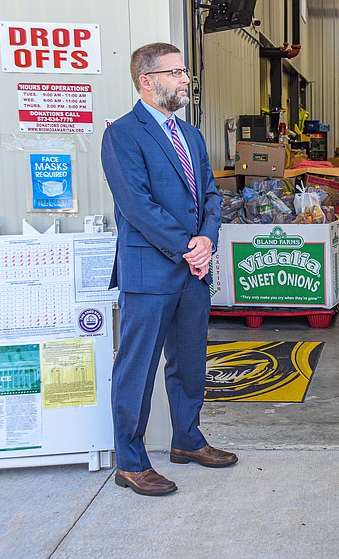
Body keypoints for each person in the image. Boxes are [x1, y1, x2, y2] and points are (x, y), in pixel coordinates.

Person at [101, 42, 237, 496]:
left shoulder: (191, 135)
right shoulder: (123, 134)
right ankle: (131, 461)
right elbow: (137, 206)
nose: (184, 80)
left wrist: (207, 240)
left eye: (184, 72)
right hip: (151, 271)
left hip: (191, 271)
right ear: (147, 80)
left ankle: (188, 441)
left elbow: (212, 197)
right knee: (136, 368)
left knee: (190, 363)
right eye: (175, 72)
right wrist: (188, 246)